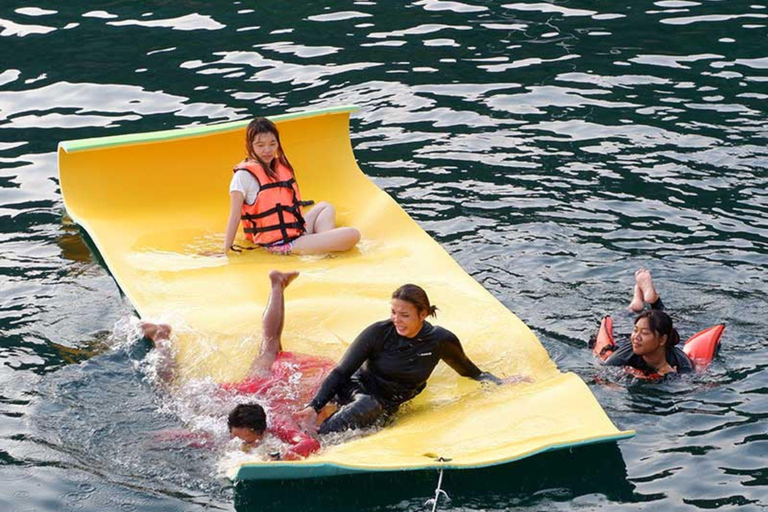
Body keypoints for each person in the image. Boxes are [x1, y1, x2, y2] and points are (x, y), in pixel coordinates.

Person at [142, 270, 336, 460]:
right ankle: (161, 338)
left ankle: (277, 284)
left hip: (270, 391)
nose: (241, 445)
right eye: (238, 439)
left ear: (264, 432)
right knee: (170, 393)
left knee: (270, 346)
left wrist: (279, 457)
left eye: (249, 442)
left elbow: (310, 444)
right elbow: (188, 435)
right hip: (250, 389)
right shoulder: (227, 425)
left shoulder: (279, 423)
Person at [293, 284, 530, 434]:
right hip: (357, 391)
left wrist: (501, 383)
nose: (397, 320)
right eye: (393, 313)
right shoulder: (378, 332)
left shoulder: (440, 341)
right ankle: (313, 439)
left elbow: (470, 371)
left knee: (378, 412)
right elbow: (341, 372)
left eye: (405, 315)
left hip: (390, 403)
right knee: (368, 405)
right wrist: (315, 405)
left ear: (423, 314)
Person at [222, 117, 360, 255]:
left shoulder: (278, 168)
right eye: (260, 145)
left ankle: (323, 248)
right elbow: (234, 216)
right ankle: (324, 246)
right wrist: (224, 251)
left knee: (326, 207)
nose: (267, 150)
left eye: (272, 144)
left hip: (295, 232)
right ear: (250, 145)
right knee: (353, 234)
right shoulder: (243, 176)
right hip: (279, 244)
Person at [601, 269, 693, 377]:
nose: (636, 337)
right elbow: (603, 375)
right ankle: (639, 304)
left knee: (665, 321)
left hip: (672, 339)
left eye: (644, 333)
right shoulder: (625, 354)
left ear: (662, 339)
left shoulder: (680, 362)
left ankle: (637, 305)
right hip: (625, 341)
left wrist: (671, 376)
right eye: (635, 330)